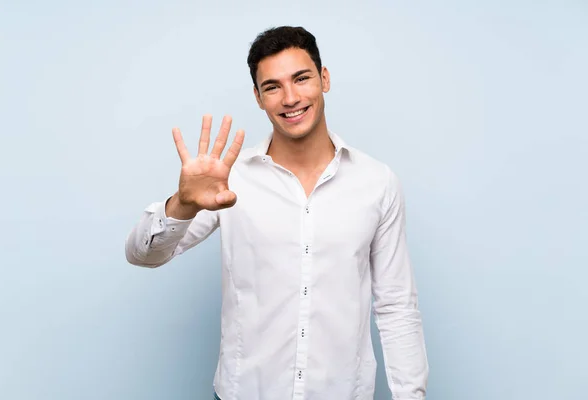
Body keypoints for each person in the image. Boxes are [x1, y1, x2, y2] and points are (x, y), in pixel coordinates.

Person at [125, 26, 429, 400]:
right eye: (272, 86)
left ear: (325, 78)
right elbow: (143, 255)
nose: (290, 98)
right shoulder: (230, 179)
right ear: (258, 97)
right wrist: (184, 204)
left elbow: (397, 306)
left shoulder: (377, 182)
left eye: (301, 79)